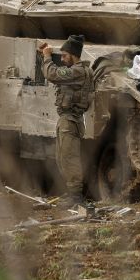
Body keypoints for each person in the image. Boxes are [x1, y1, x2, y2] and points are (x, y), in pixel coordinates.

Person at [38, 35, 93, 206]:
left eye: (64, 55)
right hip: (67, 119)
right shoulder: (77, 71)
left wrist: (47, 57)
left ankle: (76, 197)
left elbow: (52, 74)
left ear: (73, 55)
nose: (62, 59)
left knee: (69, 158)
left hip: (71, 120)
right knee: (62, 157)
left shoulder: (78, 71)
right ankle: (72, 194)